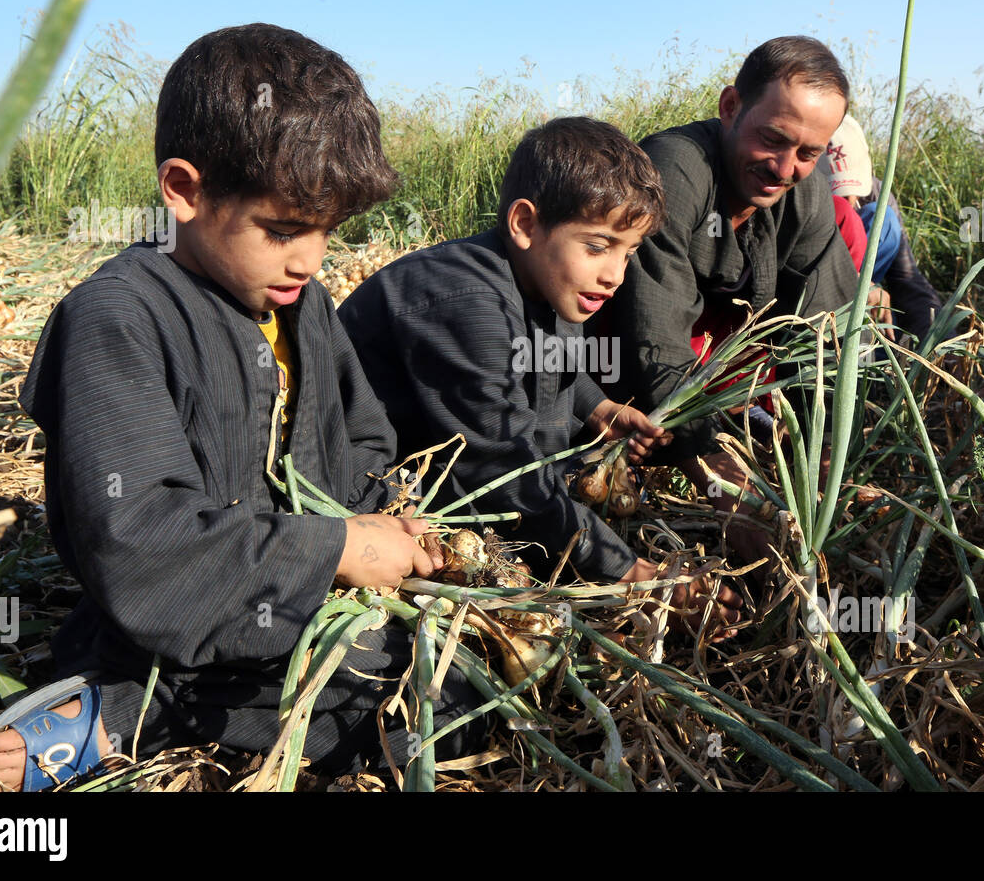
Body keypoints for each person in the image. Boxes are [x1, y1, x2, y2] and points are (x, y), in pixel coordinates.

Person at [0, 24, 487, 792]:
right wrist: (333, 549)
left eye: (327, 232)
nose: (310, 258)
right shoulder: (118, 317)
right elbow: (139, 540)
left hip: (304, 607)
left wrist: (390, 523)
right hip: (174, 617)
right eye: (283, 230)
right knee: (409, 697)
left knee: (458, 676)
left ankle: (152, 709)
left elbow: (365, 443)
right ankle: (128, 709)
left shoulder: (303, 306)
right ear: (185, 189)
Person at [339, 117, 743, 638]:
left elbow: (554, 365)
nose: (615, 275)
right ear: (526, 225)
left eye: (630, 251)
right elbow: (501, 466)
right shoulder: (467, 305)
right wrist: (633, 574)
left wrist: (598, 409)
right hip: (389, 487)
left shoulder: (547, 281)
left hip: (486, 466)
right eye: (598, 246)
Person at [595, 36, 858, 562]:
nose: (785, 168)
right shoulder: (674, 171)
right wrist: (723, 484)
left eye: (808, 152)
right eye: (773, 140)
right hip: (611, 368)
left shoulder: (805, 195)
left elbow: (825, 338)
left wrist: (827, 459)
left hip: (716, 375)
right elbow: (655, 341)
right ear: (730, 106)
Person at [818, 114, 944, 345]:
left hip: (862, 287)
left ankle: (872, 345)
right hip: (814, 294)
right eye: (837, 193)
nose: (849, 200)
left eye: (851, 191)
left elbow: (906, 278)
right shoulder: (793, 196)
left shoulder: (877, 193)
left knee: (882, 217)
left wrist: (937, 339)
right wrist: (856, 284)